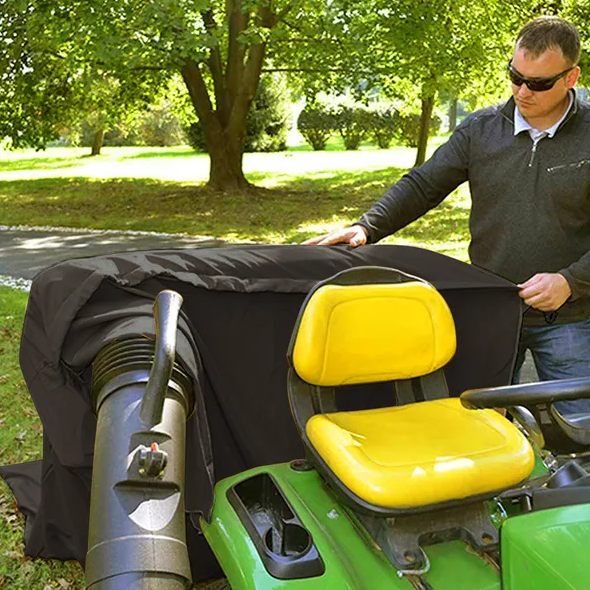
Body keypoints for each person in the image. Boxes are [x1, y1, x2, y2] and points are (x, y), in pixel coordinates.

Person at [304, 16, 590, 414]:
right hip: (492, 312)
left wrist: (571, 282)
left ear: (571, 77)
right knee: (477, 426)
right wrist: (367, 226)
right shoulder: (481, 130)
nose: (522, 91)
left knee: (581, 431)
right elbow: (423, 185)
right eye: (515, 76)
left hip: (572, 318)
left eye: (538, 83)